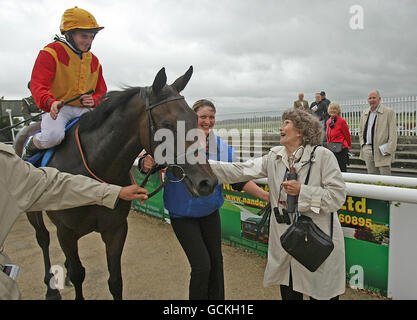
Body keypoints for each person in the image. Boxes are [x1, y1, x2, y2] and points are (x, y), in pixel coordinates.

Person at [209, 108, 347, 300]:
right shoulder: (274, 156)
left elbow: (337, 197)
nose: (280, 127)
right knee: (289, 291)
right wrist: (199, 165)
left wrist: (303, 192)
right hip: (287, 242)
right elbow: (240, 171)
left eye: (286, 123)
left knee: (321, 292)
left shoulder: (323, 156)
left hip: (316, 241)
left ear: (301, 131)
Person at [139, 99, 269, 300]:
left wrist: (264, 195)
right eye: (203, 117)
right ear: (193, 118)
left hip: (210, 212)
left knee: (216, 264)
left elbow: (238, 179)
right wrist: (144, 163)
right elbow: (149, 162)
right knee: (201, 266)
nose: (208, 121)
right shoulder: (174, 141)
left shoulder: (222, 147)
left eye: (211, 117)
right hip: (182, 215)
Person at [0, 142, 149, 300]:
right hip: (56, 120)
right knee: (53, 135)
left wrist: (114, 192)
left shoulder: (3, 161)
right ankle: (29, 154)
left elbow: (53, 185)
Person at [22, 7, 107, 160]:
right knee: (53, 137)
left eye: (92, 37)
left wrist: (94, 100)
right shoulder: (50, 53)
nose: (88, 41)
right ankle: (31, 145)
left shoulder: (94, 61)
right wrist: (50, 102)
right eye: (84, 36)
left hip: (84, 110)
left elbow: (101, 90)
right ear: (68, 34)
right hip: (58, 109)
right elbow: (38, 85)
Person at [359, 90, 397, 175]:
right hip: (368, 149)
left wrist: (389, 148)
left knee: (385, 175)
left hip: (382, 149)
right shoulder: (364, 113)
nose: (372, 100)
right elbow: (361, 131)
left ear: (379, 99)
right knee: (372, 176)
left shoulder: (388, 112)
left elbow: (393, 133)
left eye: (374, 98)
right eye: (370, 98)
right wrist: (363, 144)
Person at [326, 102, 352, 172]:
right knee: (333, 168)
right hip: (332, 147)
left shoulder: (342, 121)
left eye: (335, 109)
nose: (333, 110)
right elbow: (328, 135)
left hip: (341, 148)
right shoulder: (328, 122)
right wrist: (328, 145)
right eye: (331, 109)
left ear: (338, 111)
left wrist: (349, 145)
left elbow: (347, 134)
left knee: (341, 168)